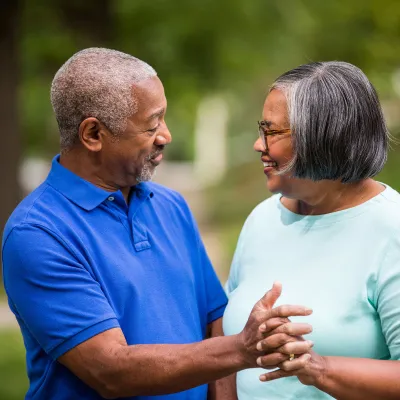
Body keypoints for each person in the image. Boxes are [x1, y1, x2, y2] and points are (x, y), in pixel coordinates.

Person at [1, 48, 314, 400]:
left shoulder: (170, 205)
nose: (166, 135)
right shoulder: (38, 234)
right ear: (92, 135)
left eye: (163, 118)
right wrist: (242, 349)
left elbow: (214, 321)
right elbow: (112, 370)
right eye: (151, 124)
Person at [223, 60, 400, 399]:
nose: (258, 146)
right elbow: (229, 349)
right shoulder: (261, 219)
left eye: (271, 132)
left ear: (322, 137)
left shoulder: (391, 229)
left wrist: (319, 369)